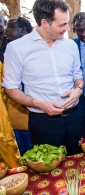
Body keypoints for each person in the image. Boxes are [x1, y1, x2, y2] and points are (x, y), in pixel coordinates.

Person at [2, 0, 85, 156]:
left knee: (80, 165)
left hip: (76, 118)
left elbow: (78, 77)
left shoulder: (70, 46)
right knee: (49, 173)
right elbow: (10, 88)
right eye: (62, 24)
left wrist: (78, 90)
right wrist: (39, 104)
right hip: (43, 123)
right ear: (44, 23)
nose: (67, 28)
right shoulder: (16, 49)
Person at [5, 17, 33, 155]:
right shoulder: (6, 50)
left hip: (37, 115)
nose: (6, 30)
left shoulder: (36, 51)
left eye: (10, 27)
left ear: (23, 29)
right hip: (15, 114)